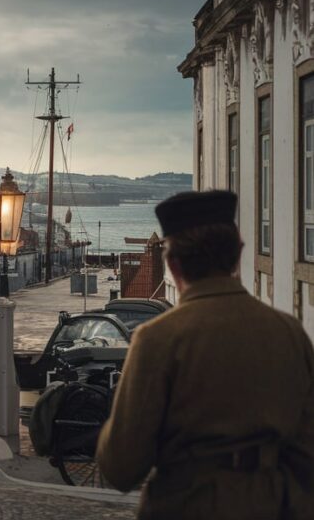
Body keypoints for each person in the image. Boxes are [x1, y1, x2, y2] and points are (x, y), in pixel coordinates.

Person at [96, 190, 314, 519]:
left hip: (187, 505)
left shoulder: (157, 340)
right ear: (237, 256)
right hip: (275, 504)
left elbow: (122, 467)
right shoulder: (290, 333)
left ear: (173, 263)